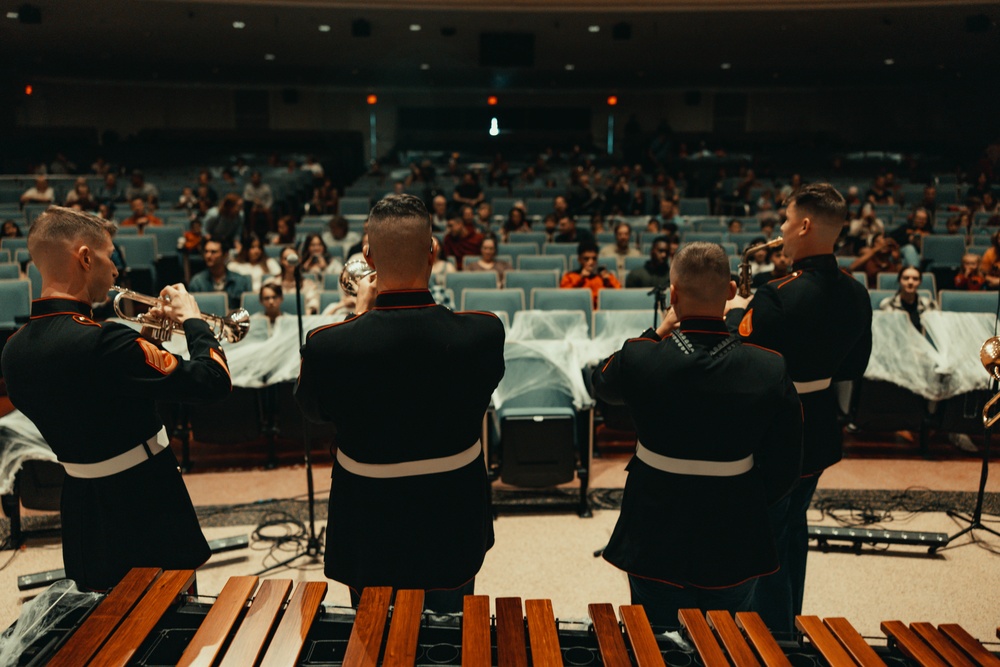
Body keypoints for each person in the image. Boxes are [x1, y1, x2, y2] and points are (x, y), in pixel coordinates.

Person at [1, 206, 231, 591]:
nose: (116, 269)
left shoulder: (13, 350)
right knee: (173, 623)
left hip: (81, 507)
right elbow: (213, 382)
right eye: (111, 255)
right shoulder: (105, 340)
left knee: (102, 620)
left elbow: (102, 398)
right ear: (86, 257)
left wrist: (145, 340)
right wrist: (192, 320)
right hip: (145, 501)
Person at [296, 194, 504, 612]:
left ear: (368, 255)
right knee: (452, 636)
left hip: (368, 520)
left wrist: (357, 317)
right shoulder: (482, 333)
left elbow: (313, 410)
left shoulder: (330, 344)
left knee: (374, 636)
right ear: (433, 253)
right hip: (453, 512)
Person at [593, 242, 802, 629]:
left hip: (653, 529)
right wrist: (753, 497)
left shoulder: (641, 356)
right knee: (724, 641)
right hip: (735, 528)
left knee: (654, 641)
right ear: (729, 291)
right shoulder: (768, 366)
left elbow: (602, 384)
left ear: (672, 295)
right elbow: (788, 464)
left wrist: (658, 331)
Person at [725, 183, 872, 634]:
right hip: (821, 423)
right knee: (792, 528)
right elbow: (855, 366)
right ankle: (790, 622)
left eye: (786, 221)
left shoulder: (777, 294)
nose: (782, 231)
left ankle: (775, 639)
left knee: (766, 538)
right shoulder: (855, 291)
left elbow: (739, 358)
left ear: (805, 225)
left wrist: (733, 313)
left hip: (776, 428)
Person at [188, 239, 252, 312]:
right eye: (206, 251)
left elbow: (247, 311)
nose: (208, 255)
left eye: (213, 252)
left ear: (225, 254)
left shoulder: (240, 281)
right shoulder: (197, 282)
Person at [561, 240, 621, 306]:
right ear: (579, 259)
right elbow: (563, 296)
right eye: (586, 259)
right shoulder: (570, 276)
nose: (591, 262)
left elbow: (619, 296)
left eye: (594, 259)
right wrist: (580, 278)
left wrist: (608, 282)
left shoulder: (606, 277)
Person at [879, 265, 936, 332]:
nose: (910, 282)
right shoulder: (887, 304)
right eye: (906, 278)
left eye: (915, 279)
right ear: (899, 281)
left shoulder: (929, 305)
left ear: (920, 282)